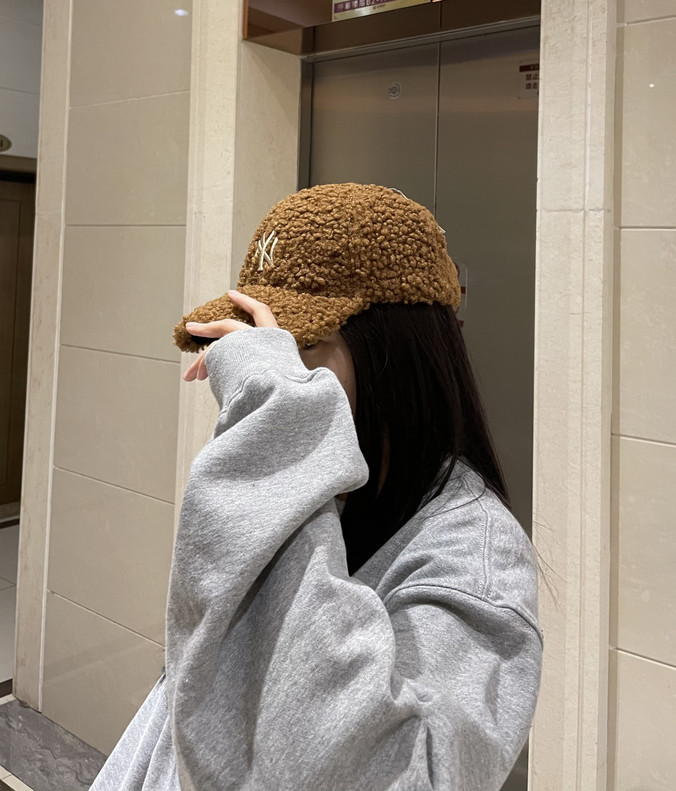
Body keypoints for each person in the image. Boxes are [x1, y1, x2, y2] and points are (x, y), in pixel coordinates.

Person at [90, 183, 542, 791]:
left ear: (397, 354)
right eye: (264, 348)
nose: (279, 374)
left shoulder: (473, 558)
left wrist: (276, 421)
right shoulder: (327, 488)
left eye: (301, 346)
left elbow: (370, 772)